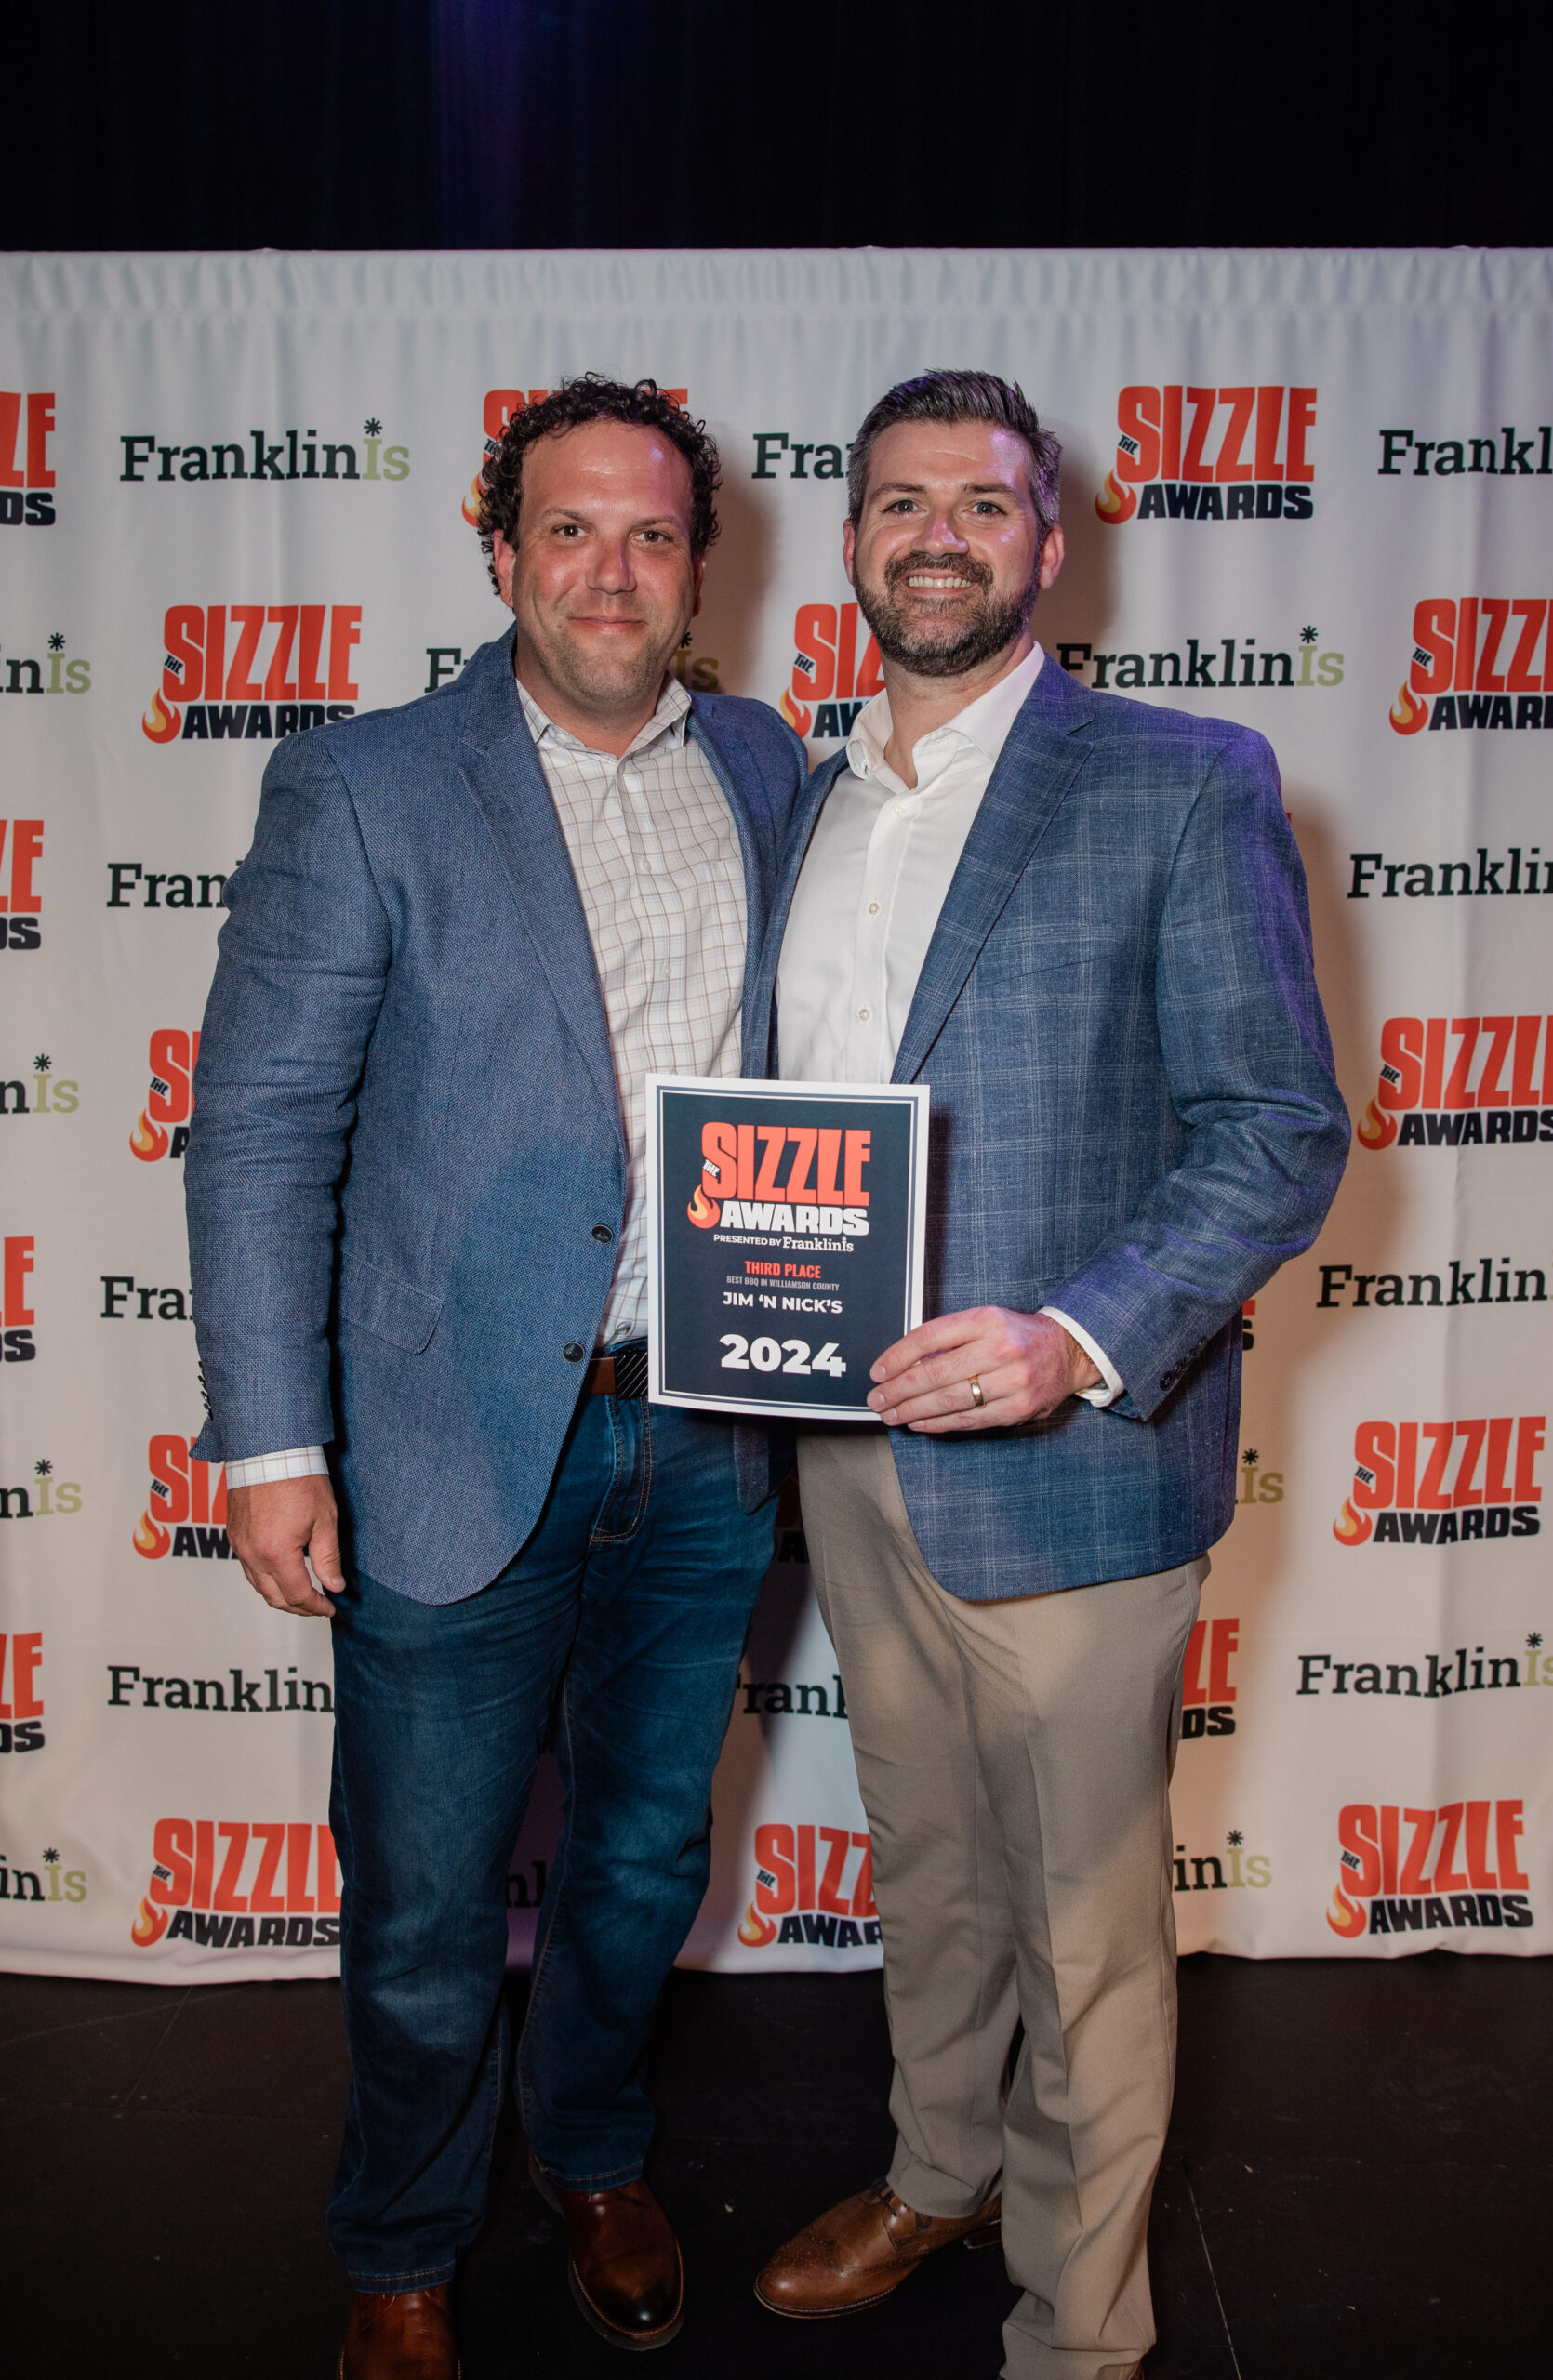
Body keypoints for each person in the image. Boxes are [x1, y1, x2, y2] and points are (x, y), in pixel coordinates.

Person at [185, 375, 804, 2378]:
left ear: (698, 570)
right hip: (447, 1438)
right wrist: (273, 1442)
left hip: (704, 1432)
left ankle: (594, 2151)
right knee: (426, 1903)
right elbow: (259, 1129)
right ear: (500, 553)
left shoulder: (766, 763)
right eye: (568, 529)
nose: (611, 570)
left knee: (638, 1859)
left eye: (651, 534)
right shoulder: (363, 783)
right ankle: (401, 2241)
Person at [750, 372, 1348, 2380]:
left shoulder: (1180, 778)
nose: (939, 536)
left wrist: (1071, 1336)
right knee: (927, 1871)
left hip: (1076, 1456)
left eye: (983, 505)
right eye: (901, 502)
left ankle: (1075, 2334)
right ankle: (937, 2173)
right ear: (850, 543)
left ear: (1048, 543)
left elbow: (1276, 1128)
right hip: (851, 1446)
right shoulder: (799, 797)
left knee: (1085, 1935)